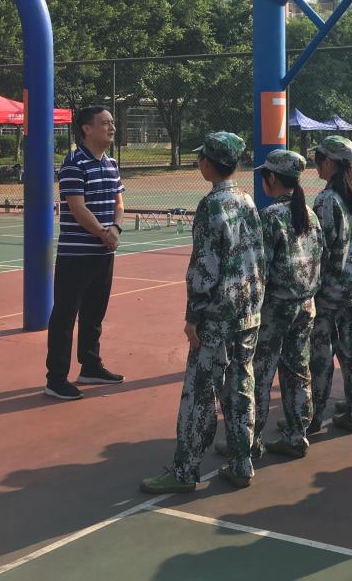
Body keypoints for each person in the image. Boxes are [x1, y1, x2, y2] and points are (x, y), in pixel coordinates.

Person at [140, 132, 265, 493]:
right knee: (241, 386)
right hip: (248, 310)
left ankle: (185, 471)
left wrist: (193, 315)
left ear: (208, 163)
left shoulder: (212, 206)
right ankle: (242, 463)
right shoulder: (247, 200)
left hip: (217, 315)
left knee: (199, 392)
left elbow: (203, 268)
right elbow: (258, 257)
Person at [44, 105, 125, 401]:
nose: (111, 127)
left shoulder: (111, 163)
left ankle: (90, 366)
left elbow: (119, 203)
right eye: (105, 123)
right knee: (65, 316)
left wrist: (116, 228)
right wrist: (104, 233)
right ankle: (56, 379)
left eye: (112, 122)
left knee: (94, 313)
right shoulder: (73, 163)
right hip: (76, 256)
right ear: (86, 129)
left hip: (104, 253)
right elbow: (77, 207)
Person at [247, 150, 323, 459]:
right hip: (305, 305)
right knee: (297, 371)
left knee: (260, 375)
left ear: (272, 178)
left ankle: (249, 443)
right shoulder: (309, 213)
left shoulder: (270, 217)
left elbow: (258, 268)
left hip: (276, 309)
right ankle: (296, 435)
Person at [309, 136, 352, 433]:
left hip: (329, 294)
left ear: (331, 163)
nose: (317, 166)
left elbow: (319, 250)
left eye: (319, 160)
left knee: (321, 357)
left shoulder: (326, 201)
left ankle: (313, 417)